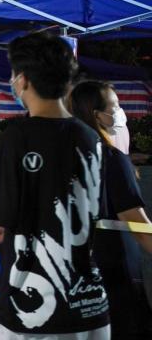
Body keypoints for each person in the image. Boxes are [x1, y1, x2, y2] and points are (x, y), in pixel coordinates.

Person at [0, 33, 109, 339]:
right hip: (90, 307)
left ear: (23, 79)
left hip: (31, 313)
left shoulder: (18, 135)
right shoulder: (90, 137)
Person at [69, 81, 152, 338]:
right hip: (116, 274)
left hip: (75, 276)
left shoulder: (64, 158)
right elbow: (138, 226)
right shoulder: (112, 159)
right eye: (115, 105)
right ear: (96, 114)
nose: (120, 111)